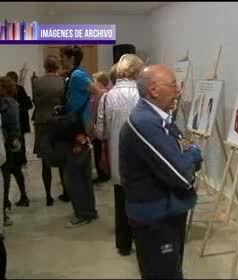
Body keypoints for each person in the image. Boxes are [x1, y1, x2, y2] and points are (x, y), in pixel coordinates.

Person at [119, 64, 203, 279]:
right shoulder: (145, 123)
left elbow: (179, 147)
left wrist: (185, 153)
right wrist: (193, 152)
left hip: (164, 212)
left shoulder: (158, 119)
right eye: (174, 85)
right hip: (156, 217)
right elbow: (181, 172)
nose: (178, 91)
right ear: (154, 90)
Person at [95, 54, 144, 256]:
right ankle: (143, 244)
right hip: (142, 160)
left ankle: (123, 245)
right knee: (143, 203)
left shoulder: (107, 97)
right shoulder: (145, 94)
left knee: (121, 202)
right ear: (136, 71)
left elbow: (101, 133)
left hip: (118, 160)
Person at [60, 45, 100, 228]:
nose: (61, 59)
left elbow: (98, 92)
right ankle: (88, 211)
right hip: (79, 131)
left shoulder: (77, 75)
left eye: (63, 56)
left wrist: (91, 119)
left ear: (71, 58)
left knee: (74, 175)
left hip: (78, 132)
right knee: (82, 174)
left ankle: (83, 213)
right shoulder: (75, 75)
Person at [32, 55, 69, 206]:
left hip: (42, 122)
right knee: (62, 158)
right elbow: (65, 101)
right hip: (59, 121)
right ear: (57, 66)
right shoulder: (63, 82)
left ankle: (48, 196)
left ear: (45, 66)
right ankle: (66, 191)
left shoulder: (37, 82)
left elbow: (36, 101)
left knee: (45, 162)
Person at [0, 77, 29, 209]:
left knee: (6, 173)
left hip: (8, 141)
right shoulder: (13, 102)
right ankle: (23, 196)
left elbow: (8, 124)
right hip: (14, 140)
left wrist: (11, 139)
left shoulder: (6, 103)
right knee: (16, 170)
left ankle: (5, 201)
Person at [6, 71, 33, 166]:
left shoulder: (20, 89)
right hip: (13, 120)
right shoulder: (7, 91)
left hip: (20, 120)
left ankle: (21, 160)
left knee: (20, 140)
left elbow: (27, 104)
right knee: (13, 140)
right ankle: (15, 160)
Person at [92, 71, 112, 184]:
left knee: (99, 150)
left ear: (100, 82)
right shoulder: (108, 92)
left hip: (99, 125)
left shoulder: (101, 93)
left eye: (94, 81)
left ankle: (102, 172)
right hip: (105, 125)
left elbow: (96, 111)